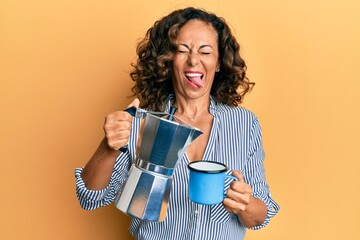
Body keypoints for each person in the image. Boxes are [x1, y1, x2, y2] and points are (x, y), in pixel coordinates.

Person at [75, 7, 279, 240]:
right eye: (182, 50)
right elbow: (90, 199)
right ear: (168, 61)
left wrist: (244, 204)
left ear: (219, 62)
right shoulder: (141, 122)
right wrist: (107, 148)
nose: (194, 60)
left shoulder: (245, 124)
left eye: (205, 51)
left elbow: (260, 215)